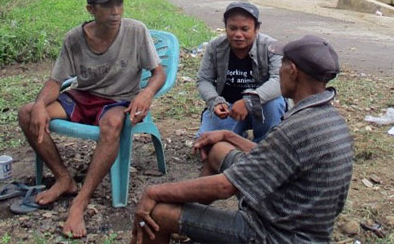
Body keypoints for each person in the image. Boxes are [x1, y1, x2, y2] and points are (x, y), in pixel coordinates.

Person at [130, 35, 353, 244]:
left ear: (292, 71)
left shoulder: (296, 129)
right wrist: (228, 135)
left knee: (157, 212)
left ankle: (175, 219)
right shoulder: (329, 118)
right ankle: (190, 214)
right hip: (302, 222)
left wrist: (154, 191)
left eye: (282, 64)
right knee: (219, 149)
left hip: (274, 234)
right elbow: (272, 153)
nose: (279, 72)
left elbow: (224, 187)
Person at [18, 0, 166, 238]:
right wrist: (40, 104)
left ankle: (80, 202)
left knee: (112, 125)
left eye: (119, 3)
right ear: (91, 9)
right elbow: (56, 81)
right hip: (83, 95)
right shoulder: (75, 38)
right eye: (107, 6)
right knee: (27, 113)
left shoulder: (135, 31)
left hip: (118, 100)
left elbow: (158, 72)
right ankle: (64, 179)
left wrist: (146, 92)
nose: (116, 11)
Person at [196, 1, 286, 142]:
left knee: (274, 104)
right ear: (225, 27)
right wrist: (215, 101)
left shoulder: (271, 47)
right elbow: (204, 79)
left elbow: (280, 81)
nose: (238, 34)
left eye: (245, 29)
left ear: (256, 29)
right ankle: (239, 136)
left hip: (262, 107)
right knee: (206, 144)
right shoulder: (215, 47)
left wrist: (249, 102)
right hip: (229, 110)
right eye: (232, 28)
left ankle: (264, 143)